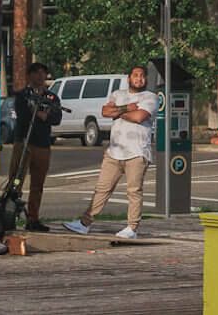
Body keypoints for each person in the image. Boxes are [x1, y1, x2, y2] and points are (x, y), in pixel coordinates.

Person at [64, 66, 158, 239]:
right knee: (102, 189)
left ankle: (132, 228)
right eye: (135, 75)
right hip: (114, 151)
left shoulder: (150, 97)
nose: (139, 79)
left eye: (142, 76)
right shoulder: (117, 94)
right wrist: (126, 108)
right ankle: (84, 223)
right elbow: (105, 111)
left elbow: (139, 117)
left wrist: (118, 112)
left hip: (137, 152)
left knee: (134, 191)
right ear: (129, 78)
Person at [7, 62, 63, 231]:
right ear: (29, 75)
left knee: (37, 184)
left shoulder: (51, 97)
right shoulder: (22, 95)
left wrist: (44, 115)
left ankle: (33, 218)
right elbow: (23, 115)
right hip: (24, 141)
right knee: (15, 180)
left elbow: (56, 117)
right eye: (36, 73)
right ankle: (9, 215)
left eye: (43, 73)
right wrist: (39, 113)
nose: (40, 76)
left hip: (42, 143)